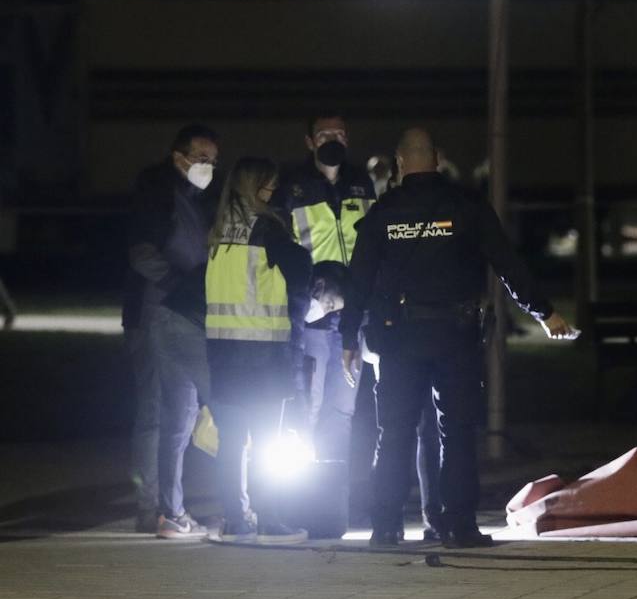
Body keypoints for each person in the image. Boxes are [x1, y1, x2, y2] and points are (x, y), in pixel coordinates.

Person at [340, 127, 577, 548]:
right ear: (437, 159)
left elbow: (359, 280)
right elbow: (507, 263)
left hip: (398, 339)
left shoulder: (384, 211)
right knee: (457, 431)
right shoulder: (466, 205)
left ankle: (386, 527)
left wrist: (347, 338)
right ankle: (460, 526)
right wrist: (545, 312)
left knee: (393, 432)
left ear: (399, 163)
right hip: (455, 337)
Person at [274, 114, 375, 533]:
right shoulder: (291, 187)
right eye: (324, 135)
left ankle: (336, 503)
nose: (332, 140)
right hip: (313, 318)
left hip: (352, 318)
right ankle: (301, 504)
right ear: (309, 141)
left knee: (343, 412)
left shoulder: (362, 185)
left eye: (339, 134)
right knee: (308, 410)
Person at [204, 158, 313, 544]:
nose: (274, 192)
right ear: (254, 187)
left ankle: (234, 520)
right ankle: (270, 519)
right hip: (264, 352)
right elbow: (302, 271)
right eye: (268, 186)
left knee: (231, 442)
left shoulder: (217, 226)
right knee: (267, 440)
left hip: (222, 350)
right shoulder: (267, 226)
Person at [126, 124, 220, 538]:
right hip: (155, 312)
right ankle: (151, 507)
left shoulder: (199, 199)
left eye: (213, 160)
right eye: (200, 158)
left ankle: (168, 506)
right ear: (177, 156)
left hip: (184, 314)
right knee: (154, 412)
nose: (207, 166)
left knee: (179, 413)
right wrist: (182, 288)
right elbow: (142, 253)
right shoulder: (157, 191)